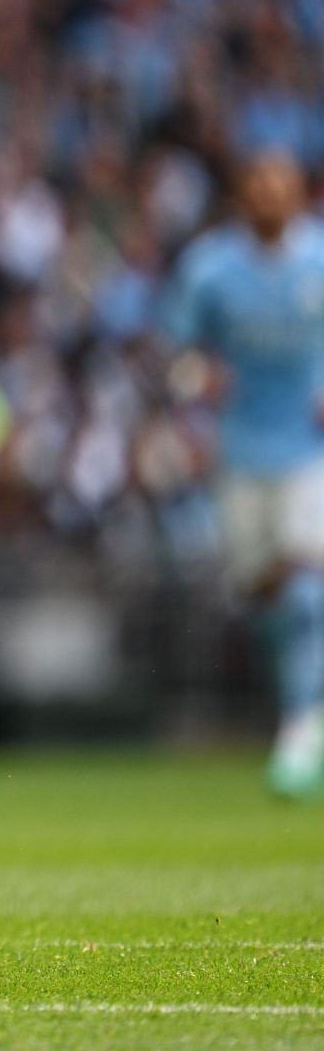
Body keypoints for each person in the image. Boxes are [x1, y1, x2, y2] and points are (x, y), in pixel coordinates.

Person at [166, 151, 324, 799]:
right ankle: (303, 701)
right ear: (242, 194)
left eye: (280, 185)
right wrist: (201, 382)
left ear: (298, 195)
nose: (269, 195)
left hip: (308, 454)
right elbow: (176, 357)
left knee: (306, 586)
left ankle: (299, 731)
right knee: (260, 592)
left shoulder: (319, 258)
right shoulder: (210, 269)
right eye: (258, 183)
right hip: (240, 455)